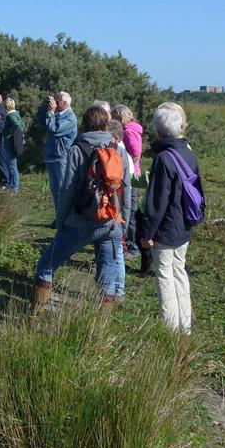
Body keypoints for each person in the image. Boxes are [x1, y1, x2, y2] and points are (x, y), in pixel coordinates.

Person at [31, 105, 131, 314]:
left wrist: (61, 222)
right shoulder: (119, 149)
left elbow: (67, 190)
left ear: (84, 125)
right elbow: (126, 191)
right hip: (111, 222)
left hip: (80, 222)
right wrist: (124, 225)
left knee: (46, 265)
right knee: (107, 280)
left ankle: (35, 315)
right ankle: (100, 327)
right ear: (106, 124)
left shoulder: (77, 149)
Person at [137, 103, 204, 334]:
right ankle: (184, 326)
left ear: (158, 131)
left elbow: (157, 202)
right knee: (179, 273)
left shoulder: (163, 158)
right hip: (184, 225)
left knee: (165, 278)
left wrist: (147, 234)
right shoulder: (188, 151)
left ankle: (170, 331)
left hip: (166, 230)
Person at [106, 118, 134, 301]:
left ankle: (117, 290)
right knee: (113, 250)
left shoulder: (120, 155)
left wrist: (125, 221)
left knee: (115, 250)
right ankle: (116, 290)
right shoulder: (121, 154)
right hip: (113, 210)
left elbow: (126, 190)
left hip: (114, 211)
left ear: (115, 137)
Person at [37, 91, 77, 214]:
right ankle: (59, 218)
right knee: (55, 191)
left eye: (58, 100)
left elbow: (54, 129)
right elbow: (41, 122)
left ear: (65, 103)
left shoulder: (70, 117)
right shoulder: (57, 114)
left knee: (62, 190)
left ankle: (64, 219)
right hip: (52, 156)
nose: (55, 103)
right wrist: (44, 107)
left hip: (61, 157)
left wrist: (50, 112)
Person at [112, 105, 142, 257]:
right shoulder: (133, 128)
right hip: (131, 172)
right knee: (129, 209)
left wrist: (126, 162)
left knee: (129, 210)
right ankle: (128, 244)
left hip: (129, 174)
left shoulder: (129, 131)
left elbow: (136, 152)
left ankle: (132, 246)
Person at [0, 96, 26, 193]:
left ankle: (14, 188)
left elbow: (18, 125)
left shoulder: (10, 116)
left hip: (10, 145)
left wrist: (11, 134)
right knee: (11, 165)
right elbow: (23, 124)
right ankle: (11, 185)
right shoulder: (15, 114)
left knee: (12, 167)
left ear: (6, 106)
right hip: (12, 144)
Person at [112, 105, 143, 177]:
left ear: (120, 118)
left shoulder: (129, 132)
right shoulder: (130, 130)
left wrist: (126, 166)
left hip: (130, 172)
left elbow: (136, 154)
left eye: (113, 118)